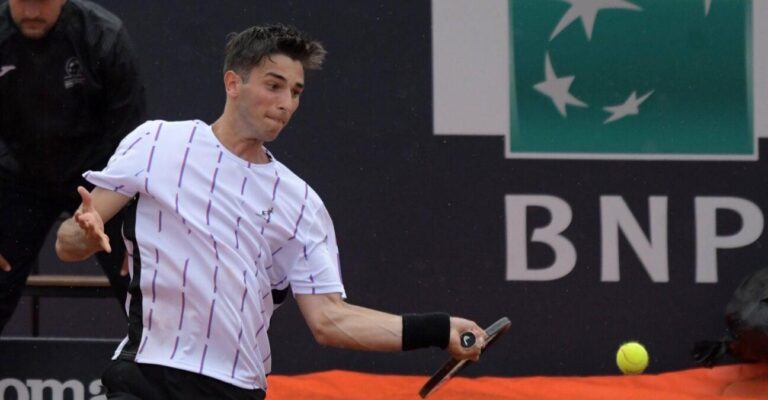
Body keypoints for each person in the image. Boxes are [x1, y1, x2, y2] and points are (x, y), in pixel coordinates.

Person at [55, 24, 485, 399]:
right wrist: (84, 233)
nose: (286, 103)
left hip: (235, 386)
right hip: (144, 372)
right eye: (273, 85)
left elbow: (330, 320)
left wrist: (437, 329)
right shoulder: (157, 142)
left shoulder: (299, 202)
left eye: (295, 91)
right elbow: (68, 245)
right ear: (233, 83)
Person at [0, 0, 144, 333]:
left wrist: (138, 227)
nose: (33, 12)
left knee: (139, 275)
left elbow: (133, 138)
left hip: (98, 177)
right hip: (17, 175)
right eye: (24, 2)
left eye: (43, 2)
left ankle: (154, 378)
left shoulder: (104, 36)